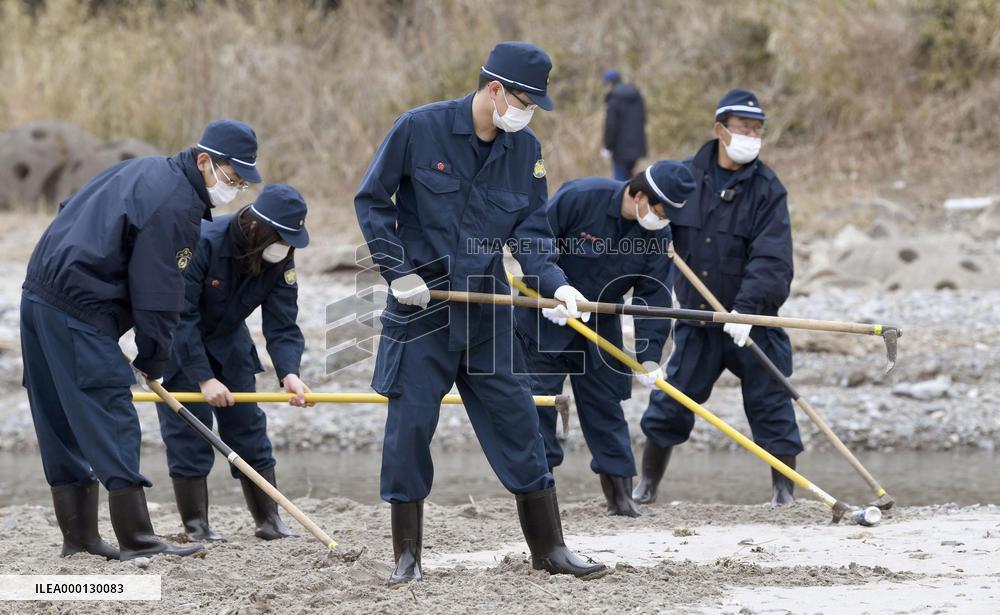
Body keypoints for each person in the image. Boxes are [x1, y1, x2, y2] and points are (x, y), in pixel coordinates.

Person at [355, 41, 608, 586]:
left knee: (519, 418)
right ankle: (407, 557)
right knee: (410, 428)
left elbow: (532, 234)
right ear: (494, 89)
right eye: (523, 100)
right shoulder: (419, 129)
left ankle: (550, 549)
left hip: (487, 309)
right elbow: (372, 201)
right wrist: (397, 271)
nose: (528, 112)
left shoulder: (525, 149)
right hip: (422, 305)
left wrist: (557, 287)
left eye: (535, 104)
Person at [20, 119, 262, 560]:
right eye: (232, 176)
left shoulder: (145, 170)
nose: (234, 187)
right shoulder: (176, 206)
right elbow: (159, 296)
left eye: (242, 183)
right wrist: (154, 360)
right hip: (79, 305)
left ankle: (80, 539)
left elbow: (68, 207)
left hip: (37, 295)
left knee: (59, 414)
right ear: (204, 160)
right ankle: (136, 537)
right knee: (109, 406)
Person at [633, 89, 800, 507]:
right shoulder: (685, 179)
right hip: (696, 320)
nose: (752, 136)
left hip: (752, 321)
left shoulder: (767, 189)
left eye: (758, 129)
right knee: (670, 402)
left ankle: (784, 493)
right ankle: (647, 484)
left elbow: (773, 258)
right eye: (744, 128)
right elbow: (650, 233)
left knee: (772, 402)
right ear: (720, 130)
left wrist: (747, 308)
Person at [515, 161, 696, 517]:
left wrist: (648, 355)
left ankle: (620, 499)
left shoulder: (658, 234)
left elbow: (653, 296)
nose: (664, 220)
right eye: (662, 211)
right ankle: (540, 499)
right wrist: (550, 291)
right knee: (539, 407)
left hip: (600, 326)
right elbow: (534, 243)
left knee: (607, 408)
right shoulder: (582, 197)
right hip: (544, 315)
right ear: (640, 195)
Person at [155, 184, 312, 543]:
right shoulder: (202, 240)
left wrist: (289, 372)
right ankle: (197, 527)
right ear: (259, 227)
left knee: (249, 429)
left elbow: (283, 322)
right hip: (178, 342)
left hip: (230, 343)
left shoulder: (281, 257)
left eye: (292, 240)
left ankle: (269, 521)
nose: (287, 247)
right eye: (283, 238)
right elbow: (181, 315)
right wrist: (204, 378)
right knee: (188, 433)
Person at [601, 69, 647, 181]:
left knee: (619, 183)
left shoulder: (613, 99)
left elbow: (611, 126)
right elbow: (643, 118)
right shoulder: (636, 95)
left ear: (610, 83)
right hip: (637, 148)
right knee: (630, 179)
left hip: (620, 150)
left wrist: (608, 147)